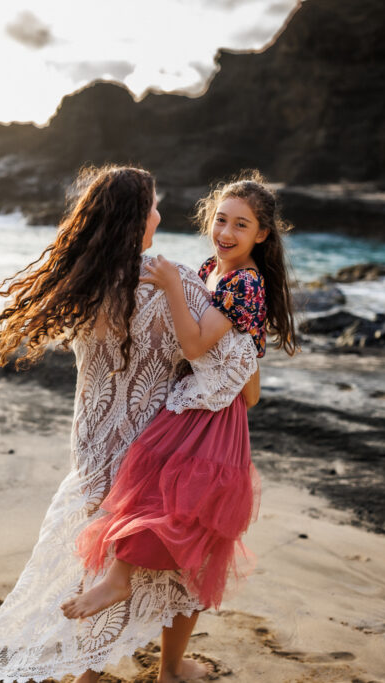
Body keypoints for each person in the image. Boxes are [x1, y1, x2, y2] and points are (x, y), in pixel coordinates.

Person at [0, 165, 262, 683]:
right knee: (188, 558)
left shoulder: (81, 280)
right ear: (135, 218)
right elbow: (238, 376)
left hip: (94, 439)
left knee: (97, 558)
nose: (159, 215)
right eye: (152, 206)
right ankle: (160, 669)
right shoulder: (180, 283)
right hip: (157, 445)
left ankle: (98, 672)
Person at [62, 171, 299, 632]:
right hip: (198, 398)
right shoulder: (212, 272)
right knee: (151, 481)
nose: (226, 233)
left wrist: (171, 284)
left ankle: (119, 579)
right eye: (221, 220)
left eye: (241, 226)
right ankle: (142, 614)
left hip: (213, 412)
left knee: (163, 493)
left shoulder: (245, 284)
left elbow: (194, 346)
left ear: (262, 234)